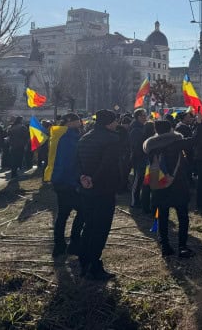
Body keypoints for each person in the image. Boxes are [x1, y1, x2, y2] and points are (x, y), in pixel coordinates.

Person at [77, 110, 126, 280]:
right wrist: (93, 179)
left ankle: (83, 261)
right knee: (101, 228)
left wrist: (83, 178)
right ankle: (94, 265)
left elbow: (77, 161)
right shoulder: (112, 139)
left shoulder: (84, 137)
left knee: (88, 225)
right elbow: (107, 165)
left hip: (86, 188)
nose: (117, 124)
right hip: (103, 188)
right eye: (115, 121)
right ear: (109, 123)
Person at [144, 120, 195, 257]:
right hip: (177, 185)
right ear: (170, 129)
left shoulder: (150, 145)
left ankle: (165, 246)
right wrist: (201, 123)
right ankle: (182, 246)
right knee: (182, 217)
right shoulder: (176, 142)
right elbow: (195, 141)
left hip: (159, 184)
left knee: (162, 216)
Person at [51, 113, 84, 258]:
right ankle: (72, 243)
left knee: (63, 214)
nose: (80, 123)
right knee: (81, 211)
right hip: (66, 181)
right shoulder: (67, 138)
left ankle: (60, 245)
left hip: (63, 180)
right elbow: (67, 162)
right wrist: (74, 182)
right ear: (70, 122)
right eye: (77, 120)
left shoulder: (69, 136)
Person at [129, 108, 149, 211]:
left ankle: (139, 200)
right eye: (143, 116)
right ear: (137, 117)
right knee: (137, 180)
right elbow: (136, 146)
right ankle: (134, 202)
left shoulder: (142, 127)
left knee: (142, 180)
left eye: (145, 115)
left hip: (143, 158)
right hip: (139, 158)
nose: (145, 117)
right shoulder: (136, 129)